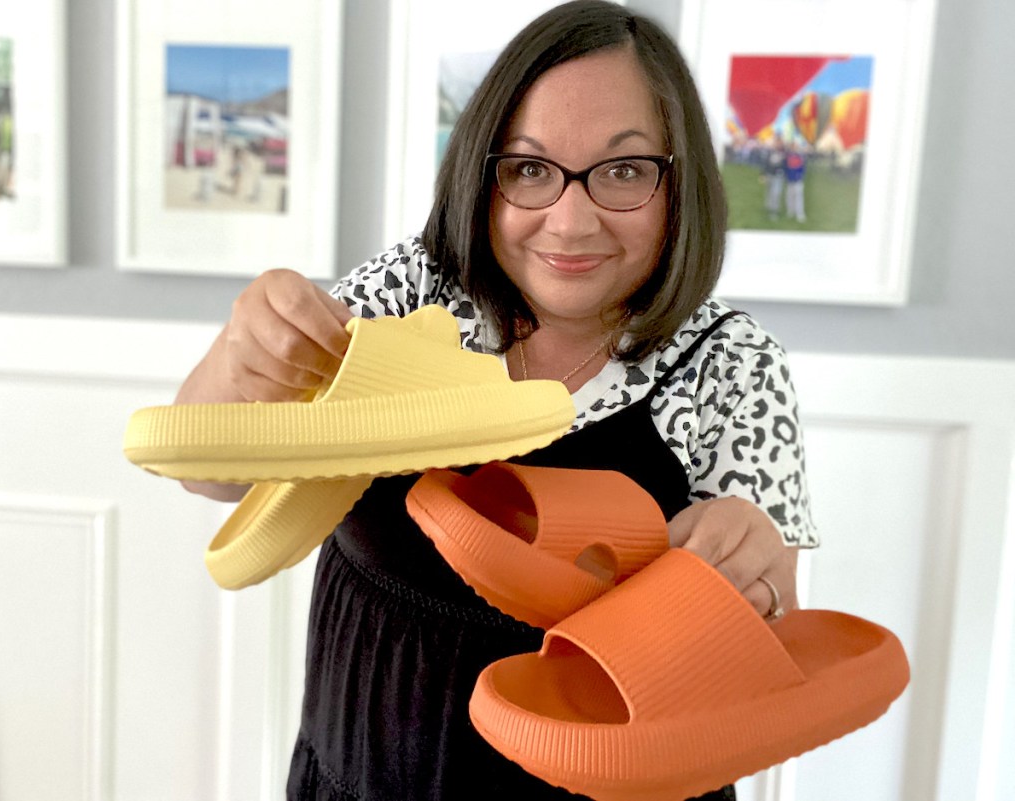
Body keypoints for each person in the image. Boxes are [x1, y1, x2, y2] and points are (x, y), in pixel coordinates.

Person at [175, 2, 817, 798]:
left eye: (623, 170)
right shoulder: (413, 290)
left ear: (679, 184)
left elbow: (766, 634)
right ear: (484, 173)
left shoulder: (730, 365)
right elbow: (213, 475)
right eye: (529, 168)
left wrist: (750, 576)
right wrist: (244, 355)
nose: (570, 220)